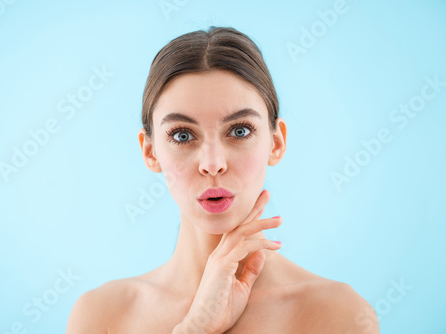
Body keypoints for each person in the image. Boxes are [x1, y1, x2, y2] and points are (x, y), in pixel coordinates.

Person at [66, 26, 380, 334]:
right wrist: (195, 328)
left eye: (239, 131)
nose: (213, 164)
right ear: (150, 152)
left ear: (277, 142)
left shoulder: (340, 316)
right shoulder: (101, 316)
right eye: (183, 135)